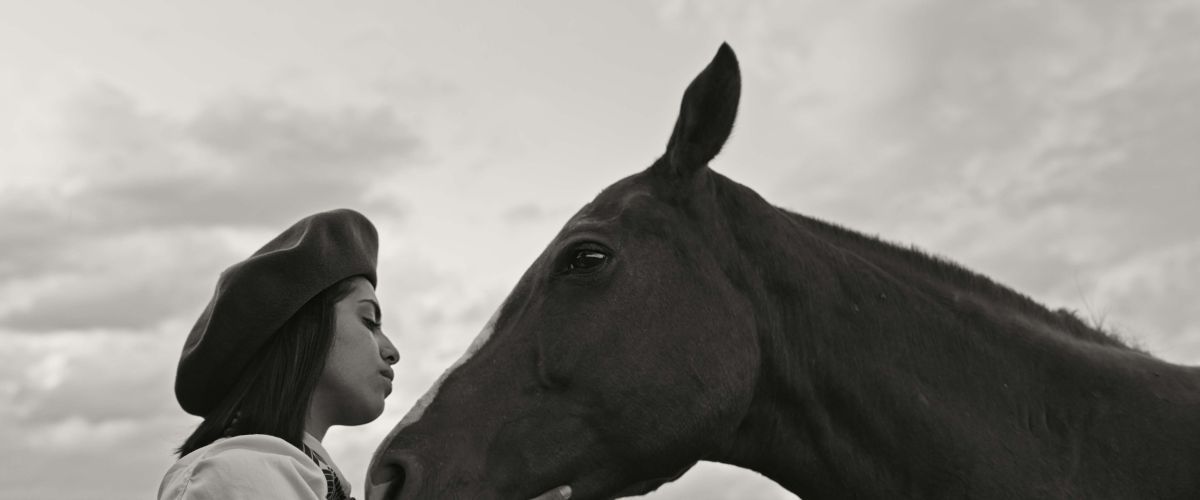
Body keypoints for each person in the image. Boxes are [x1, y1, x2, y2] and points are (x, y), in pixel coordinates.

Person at [158, 209, 571, 500]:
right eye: (369, 320)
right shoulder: (239, 475)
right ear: (305, 333)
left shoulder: (295, 480)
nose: (392, 351)